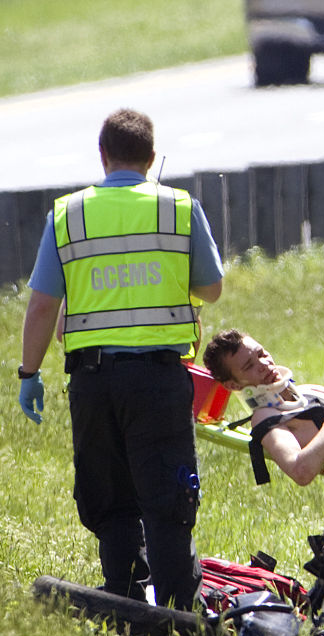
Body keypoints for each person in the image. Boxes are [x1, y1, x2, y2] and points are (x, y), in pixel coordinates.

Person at [14, 108, 224, 609]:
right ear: (152, 158)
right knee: (168, 497)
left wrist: (28, 373)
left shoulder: (68, 215)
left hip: (93, 379)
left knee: (109, 496)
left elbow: (43, 304)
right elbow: (211, 289)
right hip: (158, 379)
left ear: (102, 154)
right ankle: (177, 609)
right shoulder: (178, 207)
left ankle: (123, 597)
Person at [201, 330, 324, 486]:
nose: (264, 364)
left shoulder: (306, 391)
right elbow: (300, 472)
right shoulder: (265, 416)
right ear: (233, 385)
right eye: (249, 366)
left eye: (261, 354)